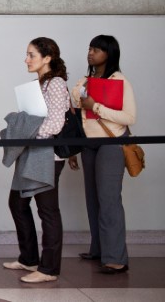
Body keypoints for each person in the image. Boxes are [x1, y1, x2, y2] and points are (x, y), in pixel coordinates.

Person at [2, 37, 69, 283]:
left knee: (48, 211)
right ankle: (29, 258)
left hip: (47, 155)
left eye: (31, 55)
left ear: (47, 58)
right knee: (17, 203)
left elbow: (55, 123)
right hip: (32, 152)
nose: (26, 59)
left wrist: (28, 132)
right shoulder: (37, 84)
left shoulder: (56, 84)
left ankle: (49, 269)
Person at [69, 35, 135, 274]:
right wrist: (73, 148)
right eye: (89, 48)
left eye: (96, 49)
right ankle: (98, 249)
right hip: (88, 143)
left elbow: (129, 118)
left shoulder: (120, 80)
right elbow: (77, 113)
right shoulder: (86, 80)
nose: (90, 52)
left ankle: (116, 257)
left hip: (111, 142)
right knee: (92, 199)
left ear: (109, 53)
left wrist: (95, 106)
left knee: (109, 201)